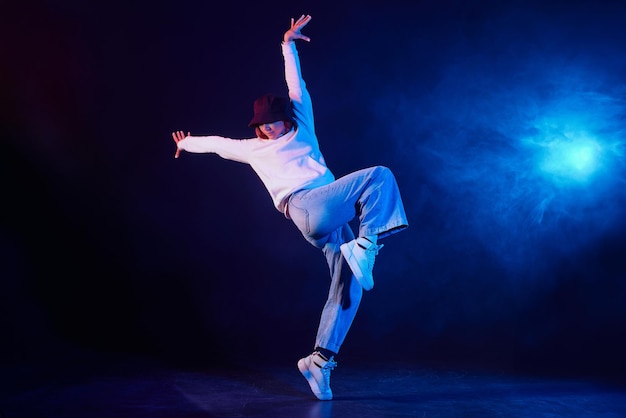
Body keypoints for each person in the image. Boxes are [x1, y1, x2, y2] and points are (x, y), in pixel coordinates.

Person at [171, 14, 408, 401]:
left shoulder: (303, 127)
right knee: (379, 176)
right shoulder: (252, 150)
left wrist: (288, 45)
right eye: (262, 126)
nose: (268, 130)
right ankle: (366, 245)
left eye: (274, 123)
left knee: (348, 286)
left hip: (330, 212)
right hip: (305, 208)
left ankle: (319, 360)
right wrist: (187, 143)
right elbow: (215, 143)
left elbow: (296, 86)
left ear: (285, 119)